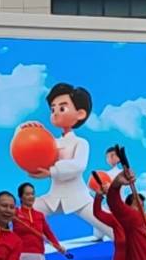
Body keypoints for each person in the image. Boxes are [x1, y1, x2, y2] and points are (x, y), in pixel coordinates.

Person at [34, 82, 113, 240]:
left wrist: (52, 172)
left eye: (62, 108)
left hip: (78, 197)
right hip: (54, 197)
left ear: (80, 114)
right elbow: (34, 151)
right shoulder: (52, 143)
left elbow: (78, 166)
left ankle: (128, 243)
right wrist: (25, 129)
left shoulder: (80, 142)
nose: (55, 113)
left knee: (109, 226)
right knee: (30, 212)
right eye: (53, 109)